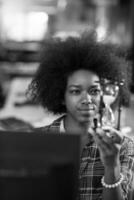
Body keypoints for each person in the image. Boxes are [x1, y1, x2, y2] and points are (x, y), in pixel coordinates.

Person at [28, 32, 134, 200]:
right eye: (76, 91)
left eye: (94, 91)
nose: (87, 99)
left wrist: (111, 165)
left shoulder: (122, 146)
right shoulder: (37, 141)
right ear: (61, 96)